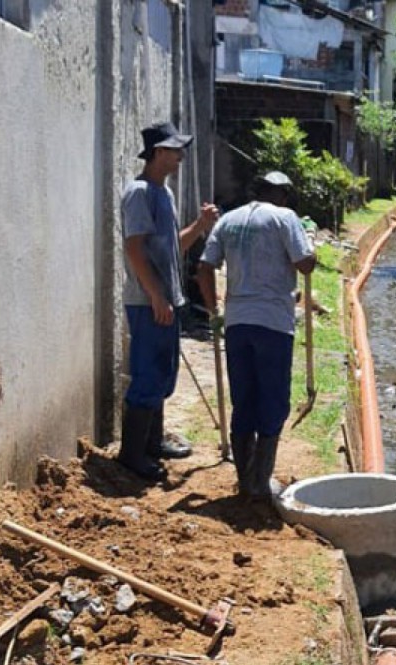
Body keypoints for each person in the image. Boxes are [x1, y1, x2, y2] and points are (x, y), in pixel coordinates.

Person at [196, 171, 317, 500]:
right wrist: (311, 245)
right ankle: (261, 482)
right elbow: (305, 264)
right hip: (273, 323)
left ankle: (245, 480)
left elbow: (204, 268)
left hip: (237, 323)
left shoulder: (228, 220)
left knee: (244, 400)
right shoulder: (285, 218)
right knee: (273, 400)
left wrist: (213, 312)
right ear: (282, 195)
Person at [118, 122, 220, 480]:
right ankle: (131, 454)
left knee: (163, 374)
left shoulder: (165, 194)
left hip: (165, 300)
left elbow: (173, 247)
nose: (180, 157)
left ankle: (153, 442)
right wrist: (156, 295)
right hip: (148, 302)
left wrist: (200, 225)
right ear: (158, 152)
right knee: (148, 374)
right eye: (176, 151)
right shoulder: (139, 193)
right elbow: (134, 248)